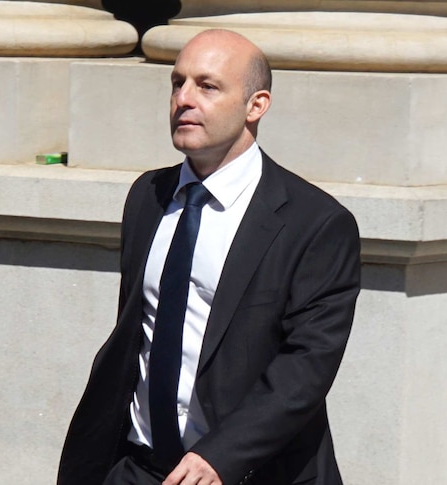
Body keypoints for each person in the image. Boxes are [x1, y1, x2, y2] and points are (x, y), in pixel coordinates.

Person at [58, 29, 361, 485]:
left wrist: (221, 456)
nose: (184, 98)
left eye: (207, 85)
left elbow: (307, 366)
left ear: (256, 105)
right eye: (177, 83)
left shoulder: (315, 223)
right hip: (138, 467)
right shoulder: (149, 196)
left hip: (246, 472)